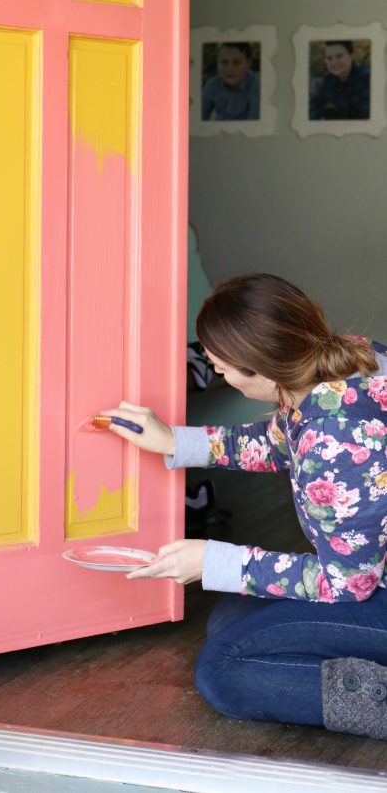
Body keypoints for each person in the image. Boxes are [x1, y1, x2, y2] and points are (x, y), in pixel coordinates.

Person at [101, 273, 387, 739]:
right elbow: (281, 443)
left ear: (262, 368)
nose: (218, 375)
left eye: (221, 368)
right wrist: (175, 440)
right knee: (232, 618)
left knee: (225, 668)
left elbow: (348, 584)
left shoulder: (335, 437)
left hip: (363, 584)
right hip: (375, 579)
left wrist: (214, 559)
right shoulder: (340, 359)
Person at [309, 40, 370, 120]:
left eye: (339, 56)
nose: (334, 62)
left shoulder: (367, 77)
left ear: (351, 56)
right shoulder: (329, 79)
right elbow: (313, 107)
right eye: (329, 58)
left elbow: (368, 118)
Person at [201, 42, 260, 121]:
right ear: (217, 63)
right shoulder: (212, 85)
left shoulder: (256, 85)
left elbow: (254, 122)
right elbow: (201, 117)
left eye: (236, 62)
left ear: (248, 64)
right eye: (224, 62)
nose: (229, 69)